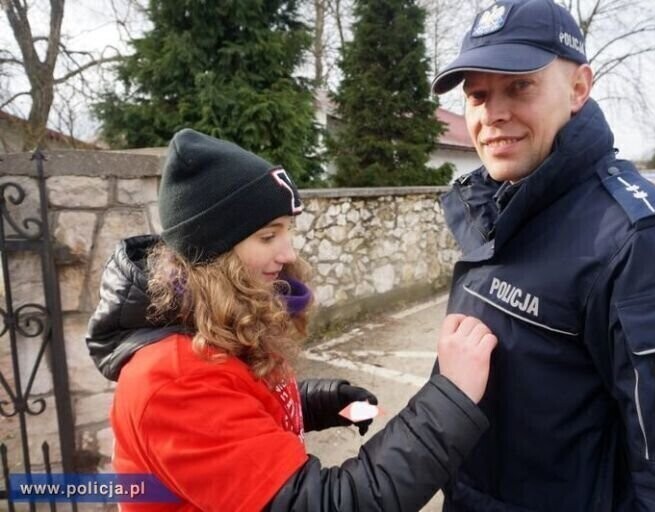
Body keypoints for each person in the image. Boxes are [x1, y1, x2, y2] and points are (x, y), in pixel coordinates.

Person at [430, 0, 655, 510]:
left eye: (519, 86)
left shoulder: (647, 243)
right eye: (477, 95)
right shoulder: (505, 207)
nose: (493, 114)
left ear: (579, 88)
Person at [86, 128, 498, 511]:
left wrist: (318, 402)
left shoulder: (211, 322)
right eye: (268, 236)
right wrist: (452, 397)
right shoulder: (172, 380)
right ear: (212, 254)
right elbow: (328, 503)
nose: (288, 254)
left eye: (287, 231)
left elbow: (237, 404)